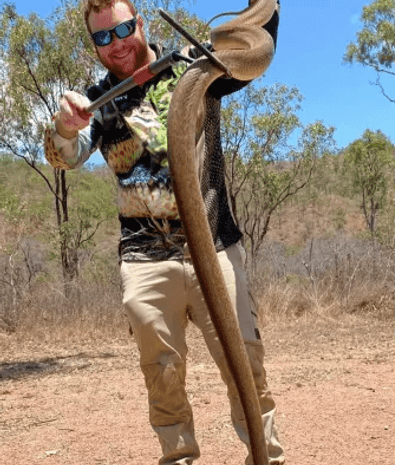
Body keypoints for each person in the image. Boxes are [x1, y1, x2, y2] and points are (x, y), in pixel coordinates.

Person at [43, 1, 284, 463]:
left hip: (214, 245)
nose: (115, 45)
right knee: (163, 374)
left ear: (141, 23)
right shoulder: (97, 101)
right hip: (145, 260)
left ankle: (266, 457)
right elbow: (64, 156)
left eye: (123, 30)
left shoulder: (196, 69)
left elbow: (255, 52)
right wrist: (65, 127)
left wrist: (269, 7)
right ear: (93, 45)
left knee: (246, 366)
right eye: (102, 38)